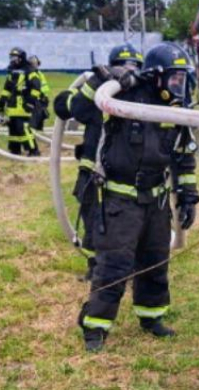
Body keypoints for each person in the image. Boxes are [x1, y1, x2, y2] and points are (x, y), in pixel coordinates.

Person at [77, 43, 199, 352]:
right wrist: (103, 79)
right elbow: (74, 108)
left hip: (156, 201)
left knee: (155, 260)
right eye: (173, 80)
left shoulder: (175, 109)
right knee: (114, 265)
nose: (178, 87)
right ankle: (95, 327)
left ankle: (151, 317)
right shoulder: (125, 95)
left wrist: (187, 195)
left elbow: (184, 156)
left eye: (182, 80)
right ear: (155, 77)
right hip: (120, 200)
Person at [53, 43, 144, 282]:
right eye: (121, 67)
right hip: (94, 172)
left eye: (134, 67)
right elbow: (70, 108)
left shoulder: (143, 98)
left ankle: (131, 267)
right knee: (94, 220)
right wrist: (95, 83)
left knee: (129, 223)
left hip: (129, 175)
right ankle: (95, 267)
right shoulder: (98, 95)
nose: (127, 73)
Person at [0, 47, 42, 156]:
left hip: (23, 105)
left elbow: (36, 87)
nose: (12, 60)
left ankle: (33, 150)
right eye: (11, 57)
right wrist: (1, 102)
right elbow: (7, 88)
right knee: (13, 128)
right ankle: (15, 150)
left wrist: (30, 102)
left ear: (21, 58)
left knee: (23, 128)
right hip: (12, 105)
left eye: (14, 57)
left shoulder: (29, 70)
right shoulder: (11, 71)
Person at [28, 55, 51, 132]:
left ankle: (39, 130)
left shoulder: (39, 74)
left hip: (42, 98)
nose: (35, 65)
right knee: (36, 116)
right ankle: (33, 130)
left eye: (36, 64)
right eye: (34, 64)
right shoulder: (30, 74)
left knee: (41, 115)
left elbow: (44, 86)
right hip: (36, 98)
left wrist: (45, 96)